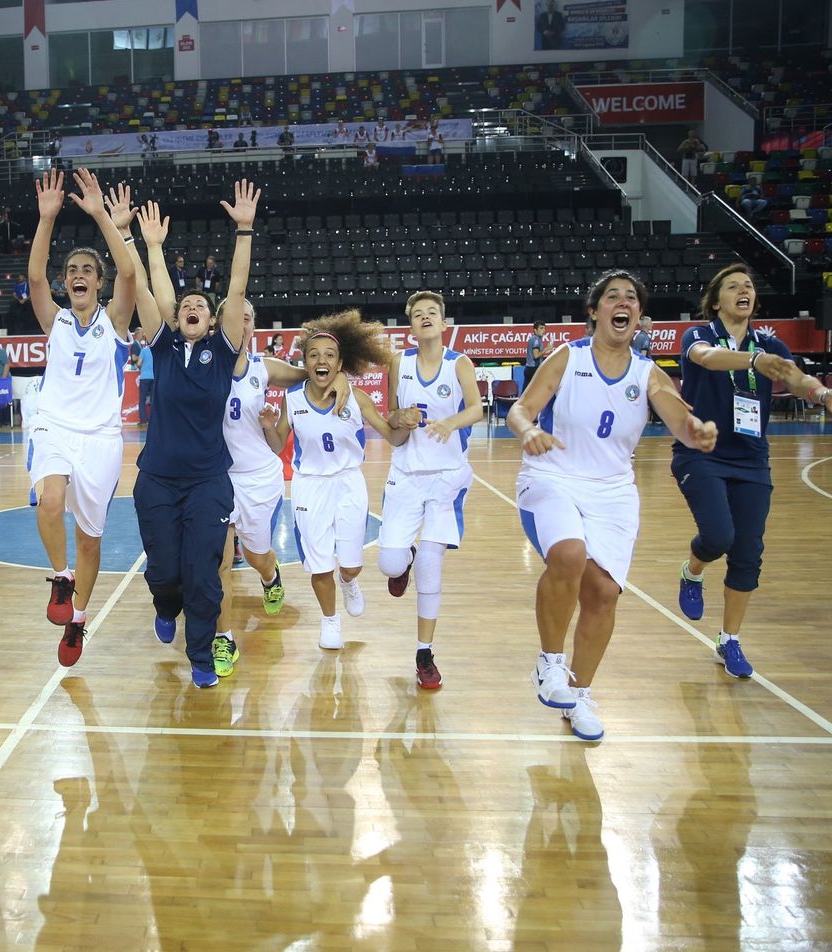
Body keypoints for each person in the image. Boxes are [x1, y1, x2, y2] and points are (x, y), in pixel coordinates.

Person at [510, 269, 719, 742]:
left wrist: (697, 432)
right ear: (595, 311)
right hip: (552, 476)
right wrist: (528, 430)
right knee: (568, 554)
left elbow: (677, 416)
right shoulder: (567, 357)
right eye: (612, 297)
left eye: (631, 299)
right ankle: (549, 665)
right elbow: (522, 407)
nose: (622, 303)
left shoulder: (649, 374)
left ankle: (579, 698)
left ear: (638, 316)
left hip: (613, 491)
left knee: (602, 593)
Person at [673, 264, 832, 676]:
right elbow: (707, 360)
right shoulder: (698, 335)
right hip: (701, 453)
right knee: (718, 536)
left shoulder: (772, 344)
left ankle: (730, 641)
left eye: (748, 286)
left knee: (748, 553)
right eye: (733, 286)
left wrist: (826, 393)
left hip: (751, 457)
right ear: (716, 300)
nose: (743, 290)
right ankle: (692, 571)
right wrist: (754, 361)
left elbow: (797, 380)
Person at [130, 184, 258, 687]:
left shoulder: (223, 351)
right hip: (158, 480)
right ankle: (165, 603)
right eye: (186, 303)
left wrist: (243, 230)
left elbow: (238, 288)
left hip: (207, 481)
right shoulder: (162, 347)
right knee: (165, 573)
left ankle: (202, 657)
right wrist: (148, 246)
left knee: (204, 575)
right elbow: (149, 290)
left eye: (202, 305)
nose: (192, 306)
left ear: (213, 321)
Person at [24, 168, 138, 668]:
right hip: (54, 427)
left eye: (87, 270)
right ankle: (60, 576)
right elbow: (33, 277)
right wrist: (47, 218)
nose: (77, 275)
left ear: (99, 281)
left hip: (101, 439)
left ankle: (79, 619)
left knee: (92, 538)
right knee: (50, 501)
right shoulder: (56, 319)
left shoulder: (115, 321)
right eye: (72, 270)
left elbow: (131, 275)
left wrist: (98, 214)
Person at [215, 298, 349, 677]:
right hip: (218, 478)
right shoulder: (207, 365)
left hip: (258, 478)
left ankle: (270, 577)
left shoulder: (264, 368)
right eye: (232, 318)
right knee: (218, 564)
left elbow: (314, 373)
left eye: (246, 319)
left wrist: (340, 380)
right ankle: (223, 638)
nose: (239, 324)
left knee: (258, 556)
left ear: (253, 327)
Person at [261, 310, 405, 652]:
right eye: (313, 355)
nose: (320, 360)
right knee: (320, 563)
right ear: (305, 363)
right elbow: (278, 445)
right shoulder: (291, 399)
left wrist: (406, 420)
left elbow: (392, 436)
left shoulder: (357, 398)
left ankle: (349, 582)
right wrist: (268, 425)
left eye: (329, 355)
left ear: (340, 364)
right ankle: (329, 621)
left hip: (348, 483)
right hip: (310, 484)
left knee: (351, 566)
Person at [378, 290, 484, 689]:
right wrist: (399, 417)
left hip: (446, 477)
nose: (425, 318)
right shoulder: (398, 362)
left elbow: (477, 408)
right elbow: (390, 420)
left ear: (444, 324)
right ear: (411, 326)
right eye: (418, 314)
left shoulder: (460, 363)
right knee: (389, 565)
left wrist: (450, 423)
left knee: (431, 565)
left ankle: (425, 652)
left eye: (432, 313)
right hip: (405, 474)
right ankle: (401, 559)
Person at [524, 321, 547, 391]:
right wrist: (547, 349)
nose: (544, 330)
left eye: (544, 328)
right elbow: (536, 355)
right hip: (533, 369)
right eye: (541, 328)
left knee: (526, 393)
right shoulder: (536, 339)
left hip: (529, 368)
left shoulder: (533, 338)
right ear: (535, 330)